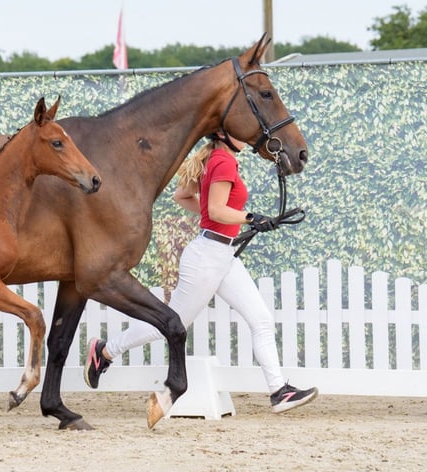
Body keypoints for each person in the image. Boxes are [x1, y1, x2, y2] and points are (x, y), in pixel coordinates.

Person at [84, 133, 318, 428]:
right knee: (170, 324)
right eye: (237, 131)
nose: (245, 136)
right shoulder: (222, 162)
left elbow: (183, 197)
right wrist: (250, 217)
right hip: (207, 257)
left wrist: (226, 216)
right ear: (223, 135)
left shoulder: (213, 159)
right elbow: (217, 210)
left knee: (261, 320)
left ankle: (279, 391)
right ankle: (105, 351)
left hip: (223, 255)